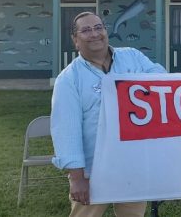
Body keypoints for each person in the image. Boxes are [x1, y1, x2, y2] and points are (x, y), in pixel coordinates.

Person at [50, 11, 166, 216]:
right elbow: (66, 130)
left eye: (98, 27)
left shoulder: (132, 57)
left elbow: (164, 82)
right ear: (75, 40)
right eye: (86, 30)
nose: (94, 34)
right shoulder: (69, 79)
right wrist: (77, 178)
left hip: (132, 164)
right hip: (93, 169)